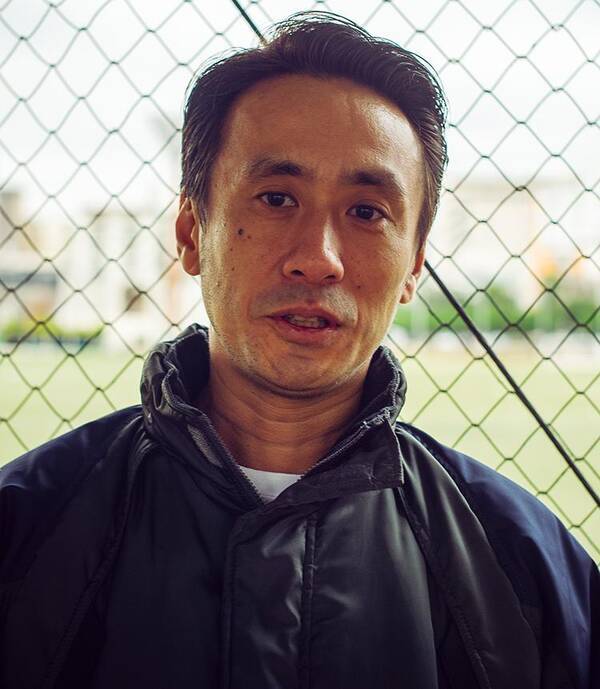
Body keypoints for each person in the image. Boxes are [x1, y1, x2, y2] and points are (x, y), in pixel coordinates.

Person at [0, 12, 597, 689]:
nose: (319, 258)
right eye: (277, 197)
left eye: (367, 212)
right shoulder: (25, 528)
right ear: (192, 233)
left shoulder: (529, 568)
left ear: (413, 265)